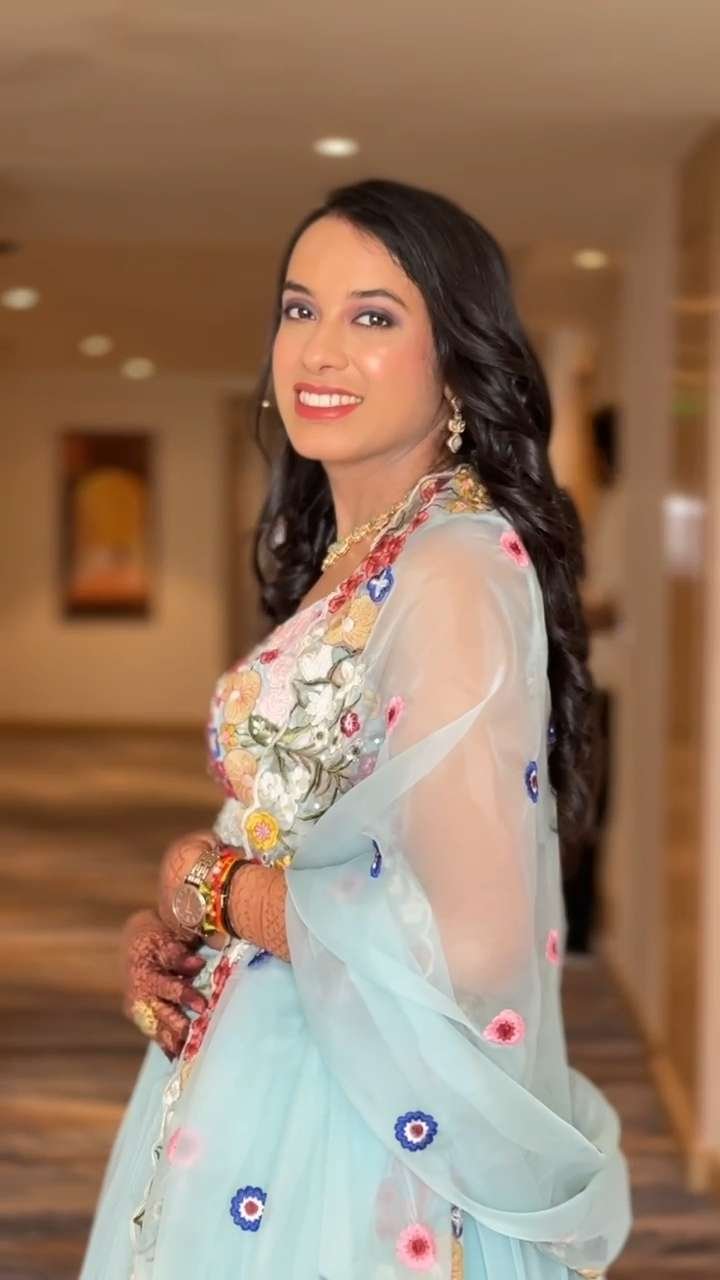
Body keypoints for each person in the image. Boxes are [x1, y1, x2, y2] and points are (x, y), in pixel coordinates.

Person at [79, 179, 632, 1280]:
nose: (319, 349)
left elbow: (472, 941)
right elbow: (313, 826)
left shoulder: (454, 565)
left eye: (374, 316)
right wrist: (184, 912)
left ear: (456, 361)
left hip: (359, 1128)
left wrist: (214, 886)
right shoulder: (367, 554)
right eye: (300, 308)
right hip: (273, 1072)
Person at [563, 407, 624, 953]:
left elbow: (614, 603)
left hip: (611, 682)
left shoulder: (625, 511)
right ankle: (578, 926)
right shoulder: (612, 508)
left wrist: (565, 612)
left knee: (591, 807)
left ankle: (581, 929)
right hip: (600, 679)